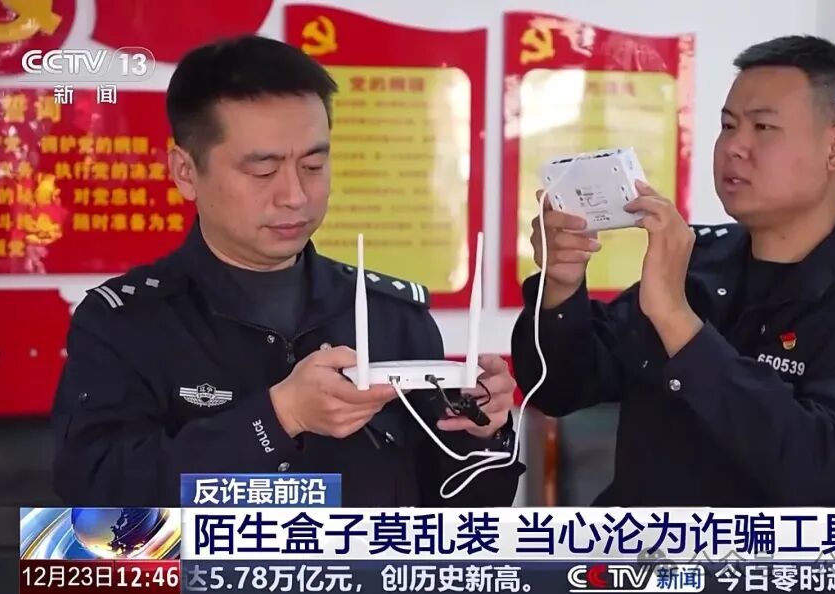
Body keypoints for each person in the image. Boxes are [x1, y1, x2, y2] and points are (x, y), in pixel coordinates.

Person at [52, 35, 523, 507]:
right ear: (185, 171)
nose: (295, 196)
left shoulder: (392, 317)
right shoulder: (123, 324)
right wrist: (278, 418)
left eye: (313, 165)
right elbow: (93, 511)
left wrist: (484, 431)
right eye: (263, 171)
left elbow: (458, 521)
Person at [511, 35, 835, 507]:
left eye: (763, 127)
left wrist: (678, 321)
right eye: (728, 125)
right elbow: (560, 387)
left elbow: (821, 474)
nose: (734, 146)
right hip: (640, 547)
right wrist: (561, 286)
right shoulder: (698, 259)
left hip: (764, 555)